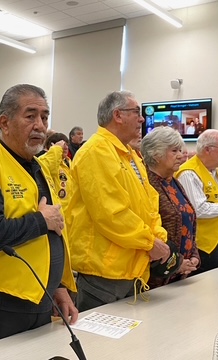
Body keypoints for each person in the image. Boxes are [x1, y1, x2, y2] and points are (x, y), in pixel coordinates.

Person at [0, 84, 77, 348]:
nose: (40, 125)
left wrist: (58, 286)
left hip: (41, 298)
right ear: (4, 123)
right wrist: (40, 221)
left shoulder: (38, 167)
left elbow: (53, 232)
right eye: (30, 116)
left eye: (45, 117)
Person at [67, 90, 169, 311]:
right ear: (118, 115)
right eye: (136, 112)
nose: (142, 118)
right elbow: (111, 213)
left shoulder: (131, 154)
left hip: (133, 267)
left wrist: (157, 238)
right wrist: (150, 243)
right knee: (100, 344)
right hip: (104, 274)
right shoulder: (96, 152)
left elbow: (150, 203)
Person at [141, 127, 199, 288]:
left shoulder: (174, 182)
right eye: (174, 151)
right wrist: (177, 263)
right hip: (156, 276)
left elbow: (188, 221)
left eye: (180, 150)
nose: (181, 155)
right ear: (155, 154)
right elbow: (148, 230)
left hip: (182, 273)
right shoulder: (145, 184)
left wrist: (193, 255)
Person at [176, 130, 218, 273]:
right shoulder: (189, 173)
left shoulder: (214, 170)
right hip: (203, 244)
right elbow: (198, 210)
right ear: (207, 150)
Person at [38, 132, 72, 212]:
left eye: (67, 145)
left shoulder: (67, 163)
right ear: (52, 146)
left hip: (69, 212)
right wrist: (56, 149)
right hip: (57, 210)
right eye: (63, 145)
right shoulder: (44, 160)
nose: (66, 148)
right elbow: (49, 170)